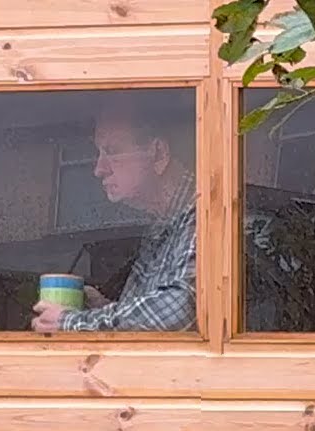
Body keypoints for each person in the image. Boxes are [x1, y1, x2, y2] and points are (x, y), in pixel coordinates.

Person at [31, 94, 197, 333]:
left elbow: (180, 310)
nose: (99, 169)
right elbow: (150, 322)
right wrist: (98, 308)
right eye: (99, 153)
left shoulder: (204, 216)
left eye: (112, 151)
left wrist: (70, 322)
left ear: (158, 153)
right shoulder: (163, 225)